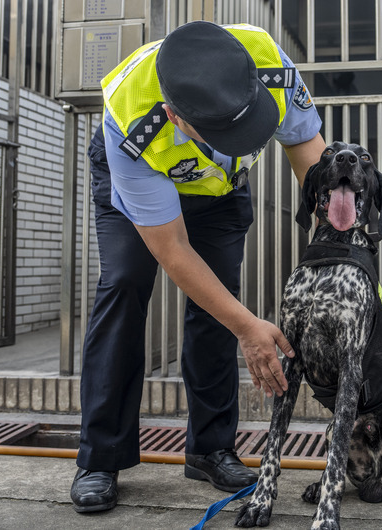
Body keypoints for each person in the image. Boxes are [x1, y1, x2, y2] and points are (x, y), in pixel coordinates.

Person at [70, 20, 326, 513]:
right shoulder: (133, 116)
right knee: (124, 284)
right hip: (143, 181)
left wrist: (332, 249)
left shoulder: (268, 61)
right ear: (174, 115)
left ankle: (211, 448)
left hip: (221, 190)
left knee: (218, 299)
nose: (238, 139)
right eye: (222, 131)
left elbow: (308, 162)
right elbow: (173, 250)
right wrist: (249, 327)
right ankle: (99, 457)